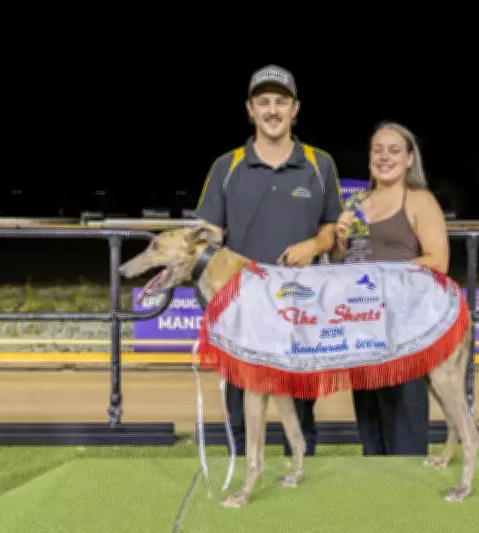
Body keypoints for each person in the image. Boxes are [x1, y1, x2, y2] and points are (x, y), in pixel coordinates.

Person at [192, 65, 343, 457]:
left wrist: (314, 245)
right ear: (250, 109)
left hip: (300, 306)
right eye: (264, 103)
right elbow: (205, 237)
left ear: (295, 109)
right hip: (241, 311)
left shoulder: (319, 163)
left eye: (281, 102)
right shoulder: (226, 167)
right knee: (241, 410)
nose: (272, 110)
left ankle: (300, 470)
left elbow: (333, 228)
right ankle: (241, 470)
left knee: (301, 406)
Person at [332, 122, 450, 456]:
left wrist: (385, 274)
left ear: (410, 158)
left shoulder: (419, 200)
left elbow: (438, 261)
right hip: (361, 323)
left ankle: (410, 493)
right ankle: (377, 489)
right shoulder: (357, 202)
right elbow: (346, 261)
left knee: (404, 417)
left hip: (402, 324)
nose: (384, 157)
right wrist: (341, 242)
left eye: (394, 150)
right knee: (369, 419)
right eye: (377, 149)